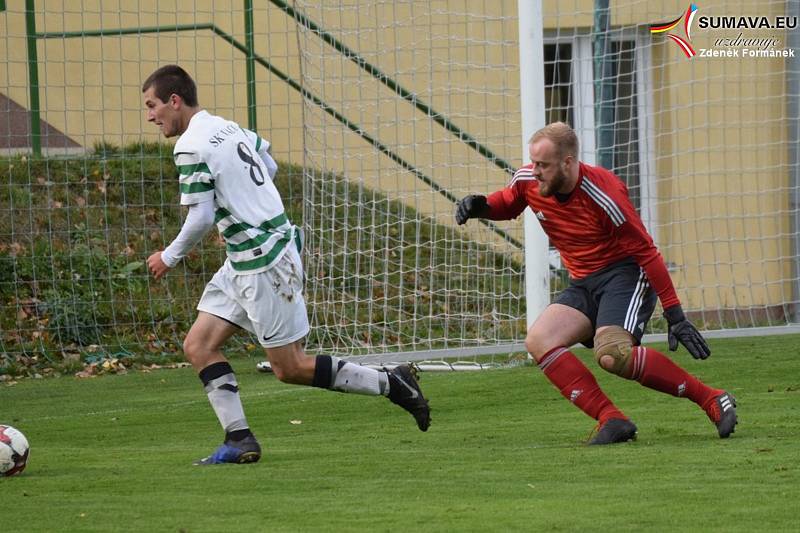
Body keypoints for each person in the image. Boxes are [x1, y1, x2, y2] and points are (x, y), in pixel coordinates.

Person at [142, 65, 430, 465]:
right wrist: (249, 204)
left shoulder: (189, 145)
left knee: (290, 367)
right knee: (199, 345)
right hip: (246, 257)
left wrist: (168, 256)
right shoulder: (227, 127)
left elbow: (202, 217)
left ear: (174, 101)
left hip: (265, 262)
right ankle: (239, 439)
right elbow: (266, 158)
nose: (151, 115)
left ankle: (390, 382)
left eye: (152, 105)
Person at [455, 121, 736, 445]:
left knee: (613, 354)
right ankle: (612, 419)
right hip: (583, 280)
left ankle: (712, 398)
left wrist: (675, 315)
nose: (536, 171)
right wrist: (481, 207)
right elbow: (509, 202)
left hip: (625, 275)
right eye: (533, 163)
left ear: (568, 163)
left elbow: (647, 252)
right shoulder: (529, 180)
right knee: (539, 340)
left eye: (543, 165)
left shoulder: (605, 195)